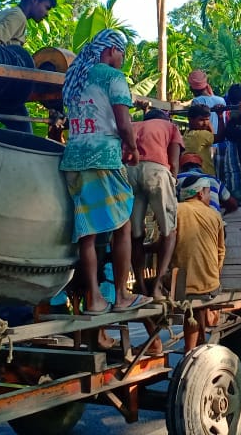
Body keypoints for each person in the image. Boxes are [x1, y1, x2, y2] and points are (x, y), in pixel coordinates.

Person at [59, 28, 151, 315]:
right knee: (122, 224)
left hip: (73, 158)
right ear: (111, 50)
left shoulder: (75, 79)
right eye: (122, 53)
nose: (122, 59)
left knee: (87, 233)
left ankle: (95, 299)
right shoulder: (113, 78)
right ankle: (122, 295)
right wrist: (134, 149)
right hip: (104, 159)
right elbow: (124, 125)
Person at [0, 0, 57, 132]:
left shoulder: (10, 13)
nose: (46, 13)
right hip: (1, 88)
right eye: (46, 7)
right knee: (25, 135)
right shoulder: (18, 16)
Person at [126, 109, 183, 299]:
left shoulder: (134, 125)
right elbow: (174, 164)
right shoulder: (171, 127)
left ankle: (140, 286)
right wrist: (172, 184)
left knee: (135, 235)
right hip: (156, 171)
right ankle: (157, 286)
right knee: (169, 232)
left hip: (130, 171)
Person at [172, 175, 228, 352]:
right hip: (210, 285)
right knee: (199, 300)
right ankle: (194, 347)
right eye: (207, 193)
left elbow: (166, 244)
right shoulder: (215, 215)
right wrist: (214, 274)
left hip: (182, 287)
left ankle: (190, 349)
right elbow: (221, 251)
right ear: (200, 193)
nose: (208, 197)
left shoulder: (176, 210)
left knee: (148, 290)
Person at [183, 104, 224, 175]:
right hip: (205, 175)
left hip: (190, 174)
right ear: (190, 119)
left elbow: (210, 133)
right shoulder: (201, 134)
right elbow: (220, 137)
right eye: (201, 120)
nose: (205, 123)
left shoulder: (187, 133)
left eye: (207, 119)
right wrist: (220, 116)